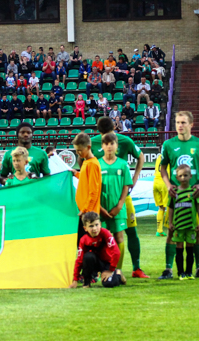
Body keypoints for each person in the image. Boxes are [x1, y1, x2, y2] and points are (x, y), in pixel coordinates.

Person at [90, 117, 148, 278]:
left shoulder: (123, 141)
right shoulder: (94, 142)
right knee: (108, 234)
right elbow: (82, 159)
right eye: (105, 141)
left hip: (121, 197)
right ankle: (107, 270)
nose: (109, 144)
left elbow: (141, 156)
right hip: (103, 200)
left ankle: (132, 268)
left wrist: (134, 178)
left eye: (112, 141)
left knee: (127, 231)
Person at [158, 111, 199, 280]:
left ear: (191, 124)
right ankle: (168, 269)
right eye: (177, 122)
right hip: (175, 195)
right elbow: (162, 168)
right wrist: (168, 185)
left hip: (194, 195)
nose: (179, 125)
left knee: (198, 230)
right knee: (171, 230)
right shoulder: (168, 144)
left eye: (183, 122)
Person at [98, 133, 132, 269]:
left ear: (117, 146)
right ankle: (103, 270)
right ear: (102, 146)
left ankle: (118, 270)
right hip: (101, 209)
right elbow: (93, 187)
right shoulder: (97, 164)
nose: (109, 146)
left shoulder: (123, 164)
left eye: (112, 143)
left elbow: (126, 186)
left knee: (119, 238)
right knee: (101, 240)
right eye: (106, 144)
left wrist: (120, 205)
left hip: (118, 209)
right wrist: (100, 208)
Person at [71, 211, 125, 289]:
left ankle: (118, 273)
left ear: (100, 224)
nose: (94, 228)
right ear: (85, 228)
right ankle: (87, 282)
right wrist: (75, 279)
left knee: (108, 283)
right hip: (94, 263)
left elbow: (116, 252)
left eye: (96, 225)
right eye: (91, 226)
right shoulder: (83, 240)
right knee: (88, 257)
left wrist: (111, 270)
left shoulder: (105, 233)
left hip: (107, 264)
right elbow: (79, 260)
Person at [168, 163, 199, 280]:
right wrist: (170, 222)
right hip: (179, 225)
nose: (183, 178)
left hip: (190, 225)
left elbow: (198, 207)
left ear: (190, 176)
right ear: (177, 177)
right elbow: (171, 208)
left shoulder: (194, 191)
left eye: (185, 175)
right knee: (179, 248)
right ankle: (181, 272)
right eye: (180, 176)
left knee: (190, 249)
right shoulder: (174, 192)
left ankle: (189, 272)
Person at [72, 133, 101, 244]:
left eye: (79, 150)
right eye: (76, 150)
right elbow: (86, 179)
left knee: (87, 246)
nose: (77, 153)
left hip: (88, 215)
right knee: (81, 245)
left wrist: (84, 211)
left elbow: (94, 192)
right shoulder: (86, 162)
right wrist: (76, 174)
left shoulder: (92, 164)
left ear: (88, 147)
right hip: (84, 211)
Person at [153, 155, 169, 237]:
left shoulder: (159, 156)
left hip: (155, 182)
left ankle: (159, 231)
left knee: (161, 208)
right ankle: (171, 229)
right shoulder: (169, 156)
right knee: (169, 207)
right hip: (164, 183)